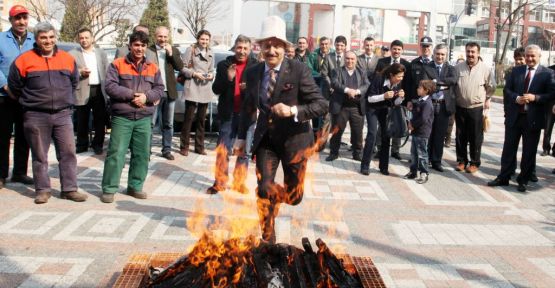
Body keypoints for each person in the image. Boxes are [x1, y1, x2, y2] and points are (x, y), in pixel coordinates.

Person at [234, 16, 327, 244]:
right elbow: (248, 107)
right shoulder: (253, 72)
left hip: (295, 142)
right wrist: (239, 138)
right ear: (261, 47)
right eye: (267, 45)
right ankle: (268, 236)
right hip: (267, 140)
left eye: (277, 45)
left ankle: (275, 198)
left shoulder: (299, 70)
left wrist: (293, 110)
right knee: (264, 188)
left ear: (285, 48)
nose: (272, 50)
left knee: (294, 197)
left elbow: (321, 104)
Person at [8, 22, 87, 204]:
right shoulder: (23, 60)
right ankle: (42, 190)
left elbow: (74, 82)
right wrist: (31, 101)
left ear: (55, 38)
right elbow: (15, 85)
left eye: (51, 37)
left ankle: (69, 189)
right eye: (43, 37)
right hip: (35, 115)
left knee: (68, 152)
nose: (48, 41)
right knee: (40, 155)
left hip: (63, 114)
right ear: (36, 39)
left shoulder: (67, 59)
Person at [100, 31, 164, 203]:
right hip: (123, 117)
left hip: (144, 117)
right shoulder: (117, 64)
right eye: (136, 45)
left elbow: (159, 89)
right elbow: (110, 87)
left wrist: (146, 97)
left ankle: (135, 186)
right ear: (129, 46)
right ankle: (109, 188)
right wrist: (132, 95)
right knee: (116, 153)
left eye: (143, 45)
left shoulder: (153, 67)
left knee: (142, 154)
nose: (139, 48)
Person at [487, 45, 555, 192]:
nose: (530, 59)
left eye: (533, 56)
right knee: (508, 149)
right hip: (515, 117)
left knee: (529, 152)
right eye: (528, 55)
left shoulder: (547, 73)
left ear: (539, 57)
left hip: (533, 119)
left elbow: (551, 95)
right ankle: (503, 177)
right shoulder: (516, 71)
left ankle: (523, 180)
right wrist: (516, 98)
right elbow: (507, 90)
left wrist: (535, 97)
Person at [207, 35, 257, 195]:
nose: (242, 51)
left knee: (244, 151)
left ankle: (239, 182)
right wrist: (228, 79)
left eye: (245, 48)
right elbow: (216, 89)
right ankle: (219, 182)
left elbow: (260, 92)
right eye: (239, 47)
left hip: (247, 115)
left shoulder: (256, 66)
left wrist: (248, 88)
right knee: (223, 150)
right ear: (234, 48)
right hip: (228, 115)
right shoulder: (224, 65)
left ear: (250, 50)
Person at [0, 5, 34, 189]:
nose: (21, 22)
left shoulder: (34, 41)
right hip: (3, 96)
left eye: (24, 18)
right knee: (2, 137)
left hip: (26, 97)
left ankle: (20, 172)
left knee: (24, 136)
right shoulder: (1, 39)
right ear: (11, 20)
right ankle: (1, 174)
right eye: (17, 18)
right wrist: (5, 85)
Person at [453, 42, 495, 173]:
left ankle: (474, 163)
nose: (470, 54)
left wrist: (487, 98)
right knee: (460, 136)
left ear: (478, 53)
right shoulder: (458, 68)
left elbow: (492, 86)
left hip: (476, 108)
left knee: (475, 137)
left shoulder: (485, 69)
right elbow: (453, 86)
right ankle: (461, 161)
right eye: (468, 51)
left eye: (473, 52)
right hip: (460, 107)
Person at [360, 63, 406, 175]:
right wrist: (383, 96)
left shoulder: (398, 83)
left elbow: (395, 103)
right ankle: (365, 165)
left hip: (386, 110)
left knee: (386, 136)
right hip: (373, 109)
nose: (400, 79)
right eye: (399, 76)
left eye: (402, 77)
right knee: (372, 134)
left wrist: (400, 98)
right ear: (391, 75)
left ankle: (383, 166)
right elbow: (370, 98)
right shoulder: (379, 79)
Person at [69, 27, 109, 155]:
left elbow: (107, 70)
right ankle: (82, 144)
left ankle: (98, 144)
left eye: (86, 37)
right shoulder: (72, 54)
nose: (84, 40)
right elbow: (69, 72)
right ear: (78, 39)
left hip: (99, 89)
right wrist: (80, 72)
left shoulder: (100, 53)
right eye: (81, 38)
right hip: (82, 89)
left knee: (99, 119)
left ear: (92, 38)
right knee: (82, 119)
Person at [148, 26, 184, 160]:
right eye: (160, 36)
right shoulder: (149, 50)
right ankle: (147, 150)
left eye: (165, 37)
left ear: (168, 37)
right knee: (150, 123)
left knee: (168, 123)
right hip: (153, 92)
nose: (162, 39)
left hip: (170, 92)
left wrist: (171, 53)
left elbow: (180, 67)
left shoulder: (173, 50)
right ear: (155, 36)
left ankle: (167, 149)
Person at [326, 51, 369, 162]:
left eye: (352, 59)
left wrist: (357, 91)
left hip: (356, 107)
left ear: (356, 60)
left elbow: (367, 85)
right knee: (337, 131)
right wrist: (347, 90)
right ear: (344, 59)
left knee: (357, 132)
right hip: (341, 107)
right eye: (347, 59)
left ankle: (357, 153)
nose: (350, 61)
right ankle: (333, 153)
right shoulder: (337, 71)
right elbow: (334, 83)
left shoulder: (362, 72)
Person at [179, 30, 215, 156]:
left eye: (207, 39)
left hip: (205, 87)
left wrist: (211, 75)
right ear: (198, 39)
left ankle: (199, 147)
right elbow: (182, 67)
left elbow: (211, 70)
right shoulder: (191, 50)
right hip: (192, 86)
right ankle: (184, 146)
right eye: (202, 39)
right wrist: (194, 74)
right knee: (188, 119)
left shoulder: (211, 52)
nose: (204, 41)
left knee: (201, 120)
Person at [374, 40, 411, 160]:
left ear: (402, 50)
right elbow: (377, 79)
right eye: (394, 49)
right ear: (391, 49)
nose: (396, 51)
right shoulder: (382, 62)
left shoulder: (406, 64)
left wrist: (404, 97)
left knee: (398, 123)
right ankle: (380, 148)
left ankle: (395, 150)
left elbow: (407, 82)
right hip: (384, 98)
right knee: (382, 125)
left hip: (399, 99)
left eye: (399, 49)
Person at [427, 44, 458, 172]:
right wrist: (443, 84)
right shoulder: (427, 67)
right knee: (428, 133)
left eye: (442, 54)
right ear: (433, 54)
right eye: (438, 54)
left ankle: (436, 161)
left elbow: (453, 80)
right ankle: (425, 158)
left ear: (446, 55)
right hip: (429, 104)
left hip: (444, 105)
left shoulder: (451, 68)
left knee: (440, 135)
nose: (440, 57)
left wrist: (436, 82)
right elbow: (426, 82)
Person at [404, 80, 435, 184]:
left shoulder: (427, 103)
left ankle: (424, 173)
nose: (417, 89)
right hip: (416, 131)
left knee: (422, 154)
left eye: (420, 88)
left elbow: (423, 118)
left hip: (422, 132)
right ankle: (413, 172)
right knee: (414, 153)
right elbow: (416, 112)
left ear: (426, 90)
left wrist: (412, 124)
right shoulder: (420, 100)